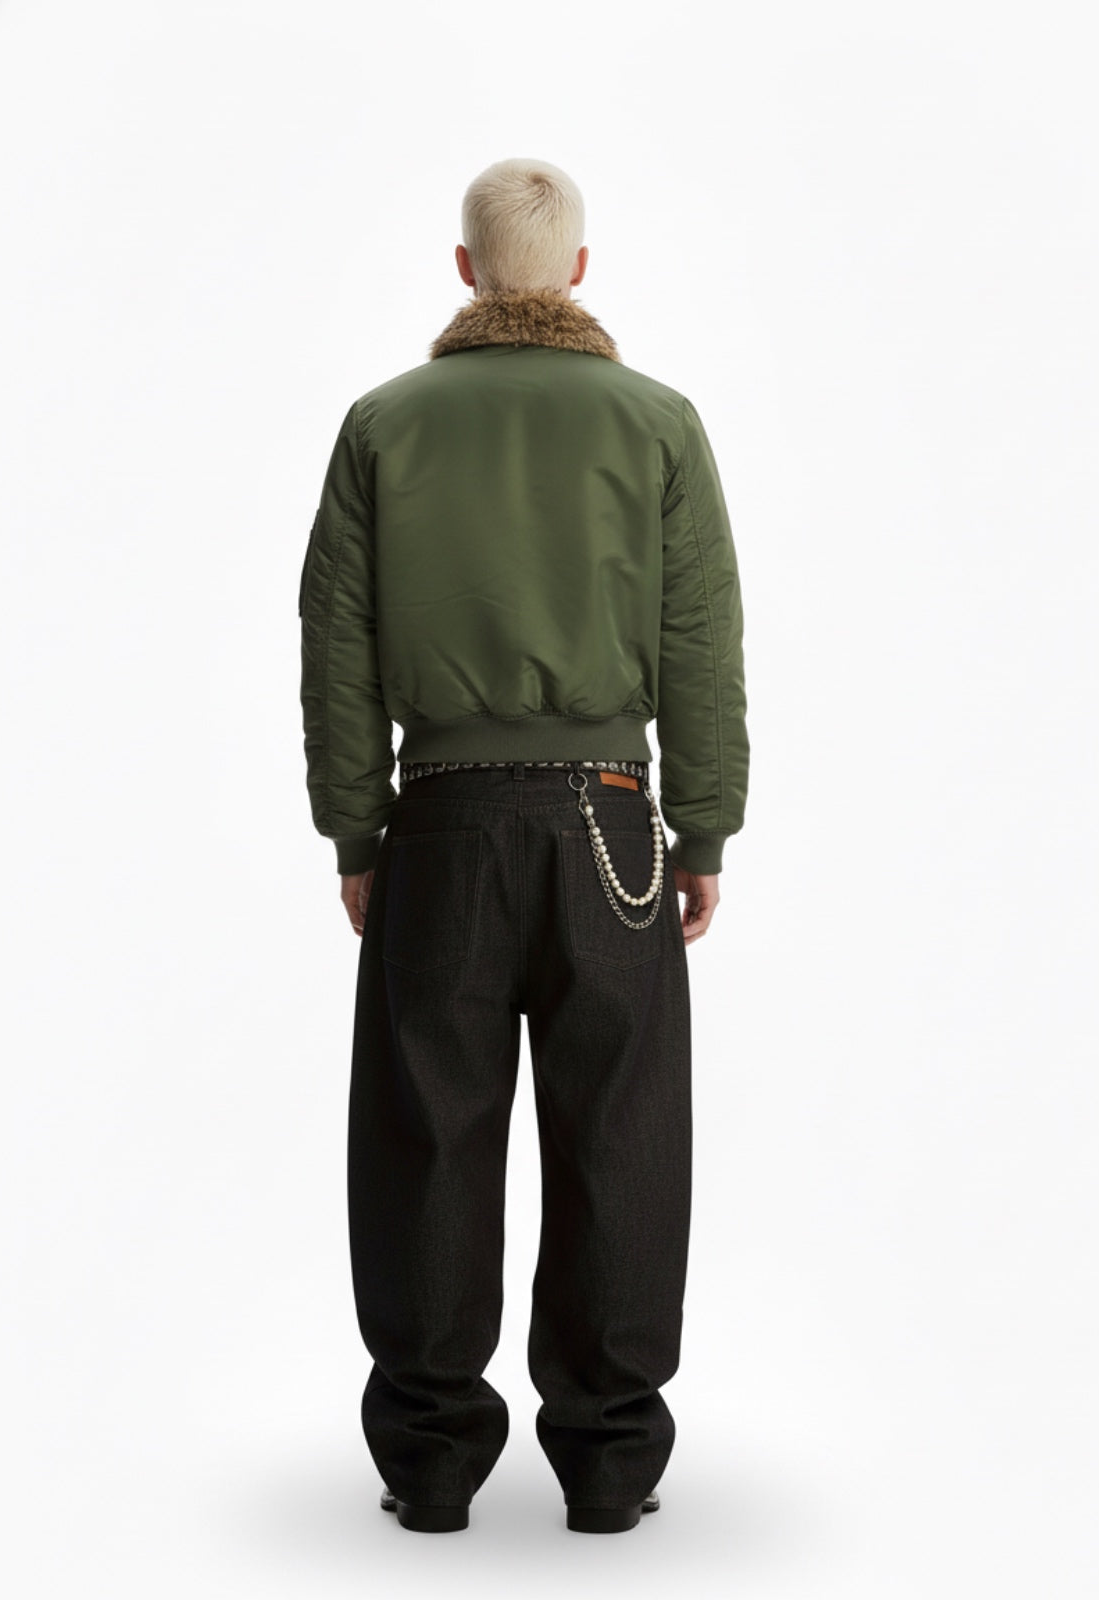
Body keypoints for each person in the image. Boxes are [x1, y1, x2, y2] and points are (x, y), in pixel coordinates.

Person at [299, 157, 749, 1535]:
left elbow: (337, 648)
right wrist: (703, 827)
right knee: (622, 1135)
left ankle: (431, 1465)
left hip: (439, 824)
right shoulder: (657, 422)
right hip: (612, 824)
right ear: (581, 273)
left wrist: (356, 829)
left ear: (465, 270)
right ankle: (610, 1467)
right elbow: (700, 641)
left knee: (426, 1135)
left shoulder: (385, 424)